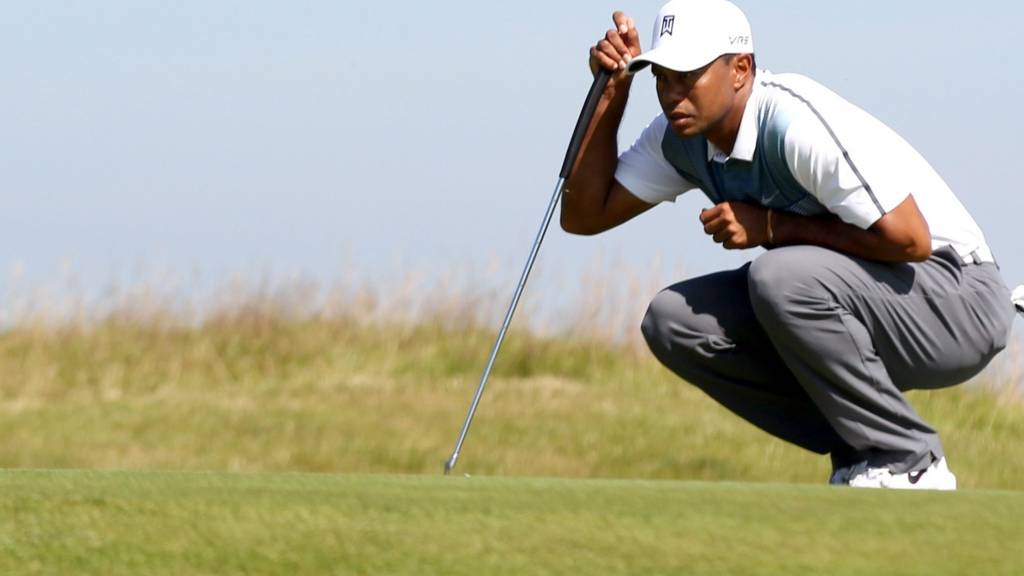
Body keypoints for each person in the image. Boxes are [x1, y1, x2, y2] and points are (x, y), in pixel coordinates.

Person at [562, 0, 1018, 490]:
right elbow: (585, 215)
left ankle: (908, 458)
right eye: (661, 77)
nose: (672, 94)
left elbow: (911, 238)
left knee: (779, 278)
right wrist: (613, 93)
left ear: (741, 70)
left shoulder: (792, 124)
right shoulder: (680, 139)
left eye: (688, 75)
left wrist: (771, 229)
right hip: (871, 301)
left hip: (958, 300)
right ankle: (863, 452)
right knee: (674, 321)